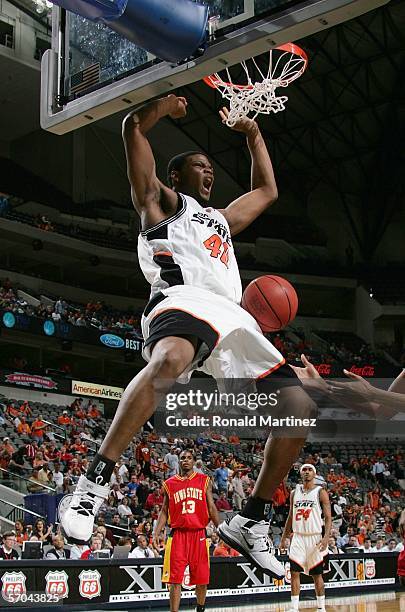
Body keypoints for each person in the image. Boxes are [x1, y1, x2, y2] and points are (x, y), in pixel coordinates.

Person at [60, 94, 315, 579]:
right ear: (174, 177)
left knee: (299, 409)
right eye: (198, 165)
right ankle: (93, 483)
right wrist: (159, 109)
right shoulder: (161, 205)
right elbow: (132, 128)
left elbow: (266, 192)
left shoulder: (219, 219)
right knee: (171, 358)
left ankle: (251, 520)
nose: (208, 170)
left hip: (233, 318)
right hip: (182, 300)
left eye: (211, 166)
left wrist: (255, 136)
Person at [153, 450, 219, 612]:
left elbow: (211, 507)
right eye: (183, 458)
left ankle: (200, 608)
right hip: (178, 535)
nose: (186, 460)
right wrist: (156, 532)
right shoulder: (169, 484)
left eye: (189, 458)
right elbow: (164, 510)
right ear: (179, 461)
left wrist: (221, 528)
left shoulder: (204, 480)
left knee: (201, 578)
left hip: (199, 534)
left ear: (194, 461)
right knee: (174, 579)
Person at [280, 464, 331, 612]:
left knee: (316, 575)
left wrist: (326, 537)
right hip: (298, 537)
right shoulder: (294, 493)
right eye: (304, 470)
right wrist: (284, 538)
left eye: (310, 470)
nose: (307, 472)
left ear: (314, 474)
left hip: (315, 537)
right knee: (294, 572)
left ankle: (321, 607)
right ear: (301, 474)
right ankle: (294, 607)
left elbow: (328, 517)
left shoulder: (320, 492)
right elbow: (290, 516)